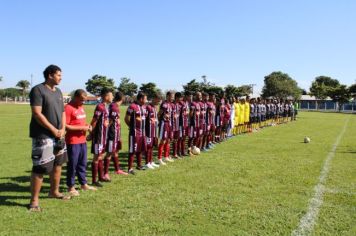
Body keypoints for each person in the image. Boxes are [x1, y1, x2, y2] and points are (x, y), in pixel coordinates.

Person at [29, 64, 70, 212]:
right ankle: (34, 201)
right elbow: (37, 113)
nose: (61, 77)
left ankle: (54, 191)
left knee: (58, 164)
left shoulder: (58, 92)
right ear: (50, 75)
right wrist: (53, 129)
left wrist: (63, 129)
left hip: (59, 135)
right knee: (40, 168)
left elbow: (63, 112)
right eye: (59, 75)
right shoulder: (38, 90)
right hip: (43, 136)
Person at [65, 89, 97, 197]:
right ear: (76, 97)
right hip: (73, 141)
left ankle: (83, 184)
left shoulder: (81, 107)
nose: (83, 102)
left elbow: (81, 122)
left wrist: (88, 126)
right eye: (82, 100)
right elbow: (66, 126)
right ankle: (71, 187)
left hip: (82, 140)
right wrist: (83, 127)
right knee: (72, 164)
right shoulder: (68, 108)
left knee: (82, 164)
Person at [89, 88, 113, 187]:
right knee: (96, 157)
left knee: (101, 156)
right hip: (99, 136)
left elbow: (106, 121)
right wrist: (91, 133)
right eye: (111, 95)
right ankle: (94, 180)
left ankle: (101, 176)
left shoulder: (106, 107)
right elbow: (94, 121)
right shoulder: (100, 107)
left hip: (104, 136)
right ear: (106, 96)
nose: (112, 97)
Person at [105, 91, 128, 177]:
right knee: (109, 153)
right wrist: (107, 133)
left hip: (116, 133)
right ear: (122, 98)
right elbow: (110, 122)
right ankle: (106, 173)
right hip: (112, 134)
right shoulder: (114, 107)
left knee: (115, 152)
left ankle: (117, 169)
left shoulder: (115, 106)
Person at [125, 92, 148, 174]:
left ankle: (139, 165)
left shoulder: (144, 107)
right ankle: (130, 168)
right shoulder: (132, 106)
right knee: (132, 150)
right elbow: (126, 118)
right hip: (134, 133)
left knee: (140, 149)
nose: (146, 100)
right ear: (141, 99)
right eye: (145, 98)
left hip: (142, 132)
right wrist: (131, 127)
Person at [145, 92, 161, 169]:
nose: (158, 103)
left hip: (154, 130)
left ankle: (150, 161)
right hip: (148, 131)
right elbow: (144, 119)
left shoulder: (154, 107)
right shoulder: (148, 107)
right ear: (154, 99)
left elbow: (155, 118)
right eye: (158, 101)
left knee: (151, 146)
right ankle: (147, 163)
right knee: (148, 147)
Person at [157, 91, 174, 164]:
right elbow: (158, 114)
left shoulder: (170, 104)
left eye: (173, 97)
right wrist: (160, 120)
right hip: (164, 124)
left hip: (169, 124)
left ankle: (166, 156)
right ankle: (159, 158)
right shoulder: (164, 104)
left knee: (168, 140)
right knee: (163, 140)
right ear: (167, 96)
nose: (172, 98)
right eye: (171, 96)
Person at [172, 92, 183, 158]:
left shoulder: (179, 105)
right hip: (172, 125)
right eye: (180, 97)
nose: (181, 99)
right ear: (176, 97)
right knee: (170, 140)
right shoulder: (172, 105)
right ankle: (173, 154)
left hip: (177, 125)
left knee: (176, 139)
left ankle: (176, 153)